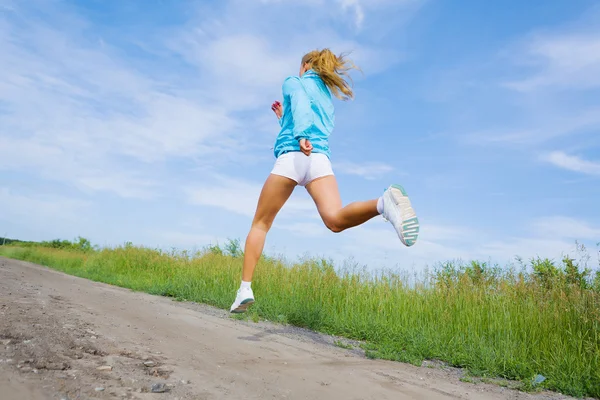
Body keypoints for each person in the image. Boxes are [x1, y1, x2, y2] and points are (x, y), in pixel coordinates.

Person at [230, 48, 419, 313]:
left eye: (300, 67)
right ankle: (383, 204)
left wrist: (301, 133)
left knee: (260, 224)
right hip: (319, 160)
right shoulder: (325, 96)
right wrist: (285, 120)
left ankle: (244, 289)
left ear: (306, 65)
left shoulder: (294, 82)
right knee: (334, 220)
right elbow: (306, 114)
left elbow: (299, 101)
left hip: (294, 155)